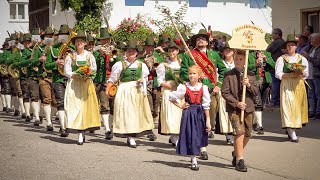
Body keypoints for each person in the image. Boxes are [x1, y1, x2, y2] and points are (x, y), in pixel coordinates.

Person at [180, 29, 227, 160]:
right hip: (194, 91)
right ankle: (202, 149)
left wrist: (219, 85)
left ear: (207, 42)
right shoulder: (189, 55)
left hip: (210, 90)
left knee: (207, 121)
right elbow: (183, 72)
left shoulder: (214, 55)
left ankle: (202, 144)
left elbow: (223, 70)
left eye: (203, 38)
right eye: (198, 38)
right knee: (195, 121)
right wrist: (193, 77)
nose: (200, 40)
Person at [106, 39, 154, 148]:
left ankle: (132, 136)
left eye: (133, 52)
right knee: (127, 113)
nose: (131, 53)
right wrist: (108, 89)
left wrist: (143, 80)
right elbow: (113, 79)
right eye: (129, 51)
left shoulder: (141, 65)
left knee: (135, 114)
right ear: (125, 53)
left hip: (137, 91)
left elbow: (145, 77)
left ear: (137, 53)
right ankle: (130, 137)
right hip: (124, 90)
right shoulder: (119, 64)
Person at [222, 50, 259, 172]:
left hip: (248, 108)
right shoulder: (228, 75)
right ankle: (240, 160)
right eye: (236, 59)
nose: (238, 61)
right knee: (239, 132)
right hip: (234, 109)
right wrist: (237, 103)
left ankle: (236, 152)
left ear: (245, 61)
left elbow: (255, 91)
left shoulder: (251, 75)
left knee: (248, 134)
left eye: (241, 59)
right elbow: (225, 93)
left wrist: (248, 85)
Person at [169, 65, 211, 171]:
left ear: (199, 75)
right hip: (188, 113)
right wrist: (181, 106)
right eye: (190, 73)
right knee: (191, 135)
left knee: (199, 135)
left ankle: (196, 155)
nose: (191, 76)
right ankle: (194, 160)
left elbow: (206, 105)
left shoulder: (203, 87)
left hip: (200, 113)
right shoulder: (184, 87)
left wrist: (208, 120)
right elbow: (172, 97)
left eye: (194, 73)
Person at [64, 30, 101, 145]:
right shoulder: (70, 56)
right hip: (74, 85)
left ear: (85, 43)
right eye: (77, 41)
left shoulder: (90, 56)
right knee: (75, 107)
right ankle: (79, 131)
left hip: (86, 84)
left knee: (85, 108)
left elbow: (94, 69)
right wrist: (73, 74)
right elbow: (66, 70)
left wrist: (88, 74)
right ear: (75, 43)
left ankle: (83, 131)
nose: (79, 43)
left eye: (81, 41)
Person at [275, 34, 309, 142]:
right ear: (286, 47)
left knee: (297, 108)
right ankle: (291, 131)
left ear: (296, 46)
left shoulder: (302, 58)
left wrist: (301, 73)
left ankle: (291, 129)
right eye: (288, 45)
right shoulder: (281, 59)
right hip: (287, 85)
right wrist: (288, 75)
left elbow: (307, 73)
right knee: (288, 107)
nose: (290, 47)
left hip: (299, 85)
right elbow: (278, 74)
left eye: (292, 45)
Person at [156, 41, 182, 147]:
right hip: (169, 91)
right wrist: (171, 86)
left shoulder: (182, 63)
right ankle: (174, 136)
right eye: (170, 51)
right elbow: (160, 81)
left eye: (173, 50)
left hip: (181, 91)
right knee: (171, 115)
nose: (171, 52)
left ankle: (175, 136)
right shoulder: (163, 65)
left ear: (177, 51)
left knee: (179, 114)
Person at [248, 50, 275, 134]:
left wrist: (266, 60)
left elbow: (274, 66)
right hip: (254, 81)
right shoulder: (250, 55)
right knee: (257, 103)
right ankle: (260, 126)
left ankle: (254, 123)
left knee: (262, 104)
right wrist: (255, 64)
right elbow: (246, 67)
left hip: (266, 81)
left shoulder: (267, 54)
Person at [216, 44, 234, 145]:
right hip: (223, 89)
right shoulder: (220, 63)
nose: (227, 51)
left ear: (233, 51)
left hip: (236, 90)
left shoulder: (238, 62)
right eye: (225, 50)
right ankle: (228, 134)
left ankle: (235, 132)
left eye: (229, 49)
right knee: (224, 112)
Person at [301, 33, 320, 119]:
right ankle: (312, 111)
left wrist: (308, 57)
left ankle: (318, 112)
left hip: (317, 75)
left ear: (317, 40)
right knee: (311, 95)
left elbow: (318, 62)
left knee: (318, 94)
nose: (310, 41)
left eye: (312, 39)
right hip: (310, 75)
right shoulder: (312, 48)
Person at [266, 28, 285, 108]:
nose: (272, 35)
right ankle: (279, 101)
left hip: (275, 65)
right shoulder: (283, 42)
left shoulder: (277, 42)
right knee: (279, 84)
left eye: (274, 33)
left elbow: (268, 50)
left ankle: (274, 101)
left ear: (278, 34)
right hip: (281, 66)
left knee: (275, 84)